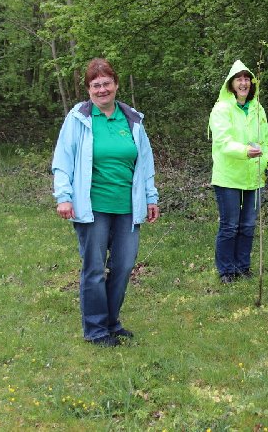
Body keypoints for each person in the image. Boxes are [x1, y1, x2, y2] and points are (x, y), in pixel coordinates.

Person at [52, 58, 160, 347]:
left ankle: (112, 322)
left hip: (128, 206)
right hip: (93, 206)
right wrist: (63, 196)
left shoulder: (132, 119)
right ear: (88, 89)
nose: (102, 90)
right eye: (95, 85)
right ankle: (96, 329)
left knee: (123, 266)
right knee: (94, 269)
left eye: (106, 83)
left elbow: (145, 162)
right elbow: (63, 159)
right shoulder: (79, 118)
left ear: (116, 85)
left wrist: (150, 197)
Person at [208, 60, 268, 284]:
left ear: (252, 83)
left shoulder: (258, 108)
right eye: (239, 79)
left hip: (254, 177)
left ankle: (242, 267)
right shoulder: (221, 109)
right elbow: (223, 142)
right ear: (231, 84)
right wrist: (246, 151)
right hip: (228, 178)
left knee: (247, 226)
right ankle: (226, 271)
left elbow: (266, 140)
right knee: (230, 226)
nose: (243, 83)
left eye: (247, 79)